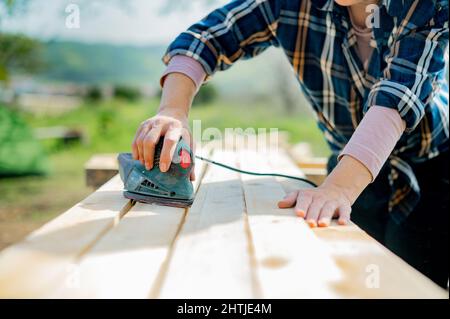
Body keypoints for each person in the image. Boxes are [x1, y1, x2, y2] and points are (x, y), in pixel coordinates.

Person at [131, 0, 449, 288]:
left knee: (414, 281)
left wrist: (337, 189)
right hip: (348, 168)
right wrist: (173, 110)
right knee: (356, 281)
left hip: (430, 166)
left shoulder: (427, 7)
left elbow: (396, 99)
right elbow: (205, 39)